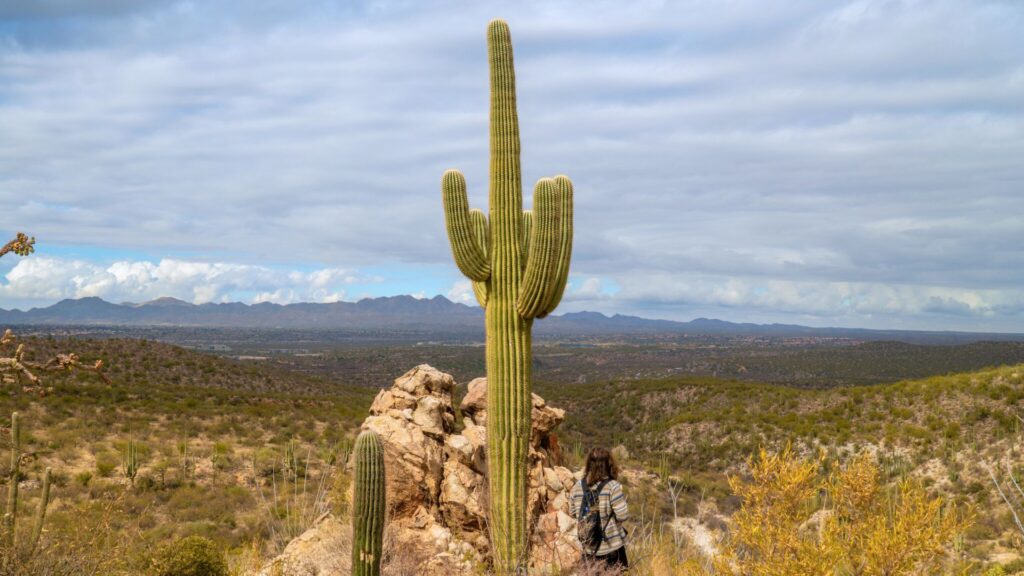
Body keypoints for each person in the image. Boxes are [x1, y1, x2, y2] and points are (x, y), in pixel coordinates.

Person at [569, 447, 630, 570]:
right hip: (611, 547)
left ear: (589, 464)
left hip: (588, 546)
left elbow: (573, 513)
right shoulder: (613, 487)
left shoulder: (577, 486)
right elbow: (623, 515)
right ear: (609, 464)